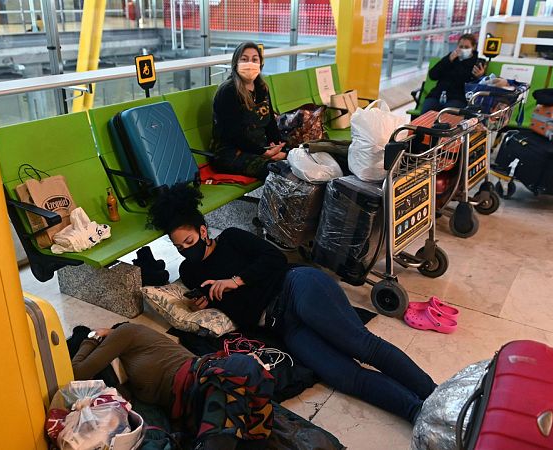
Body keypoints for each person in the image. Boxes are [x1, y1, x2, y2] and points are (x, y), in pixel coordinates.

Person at [147, 184, 437, 424]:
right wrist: (204, 303)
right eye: (178, 247)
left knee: (362, 345)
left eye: (188, 241)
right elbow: (224, 303)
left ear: (203, 231)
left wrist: (235, 280)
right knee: (345, 377)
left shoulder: (231, 239)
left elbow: (276, 259)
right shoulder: (190, 271)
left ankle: (435, 393)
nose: (185, 250)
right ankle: (418, 412)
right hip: (284, 326)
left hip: (296, 287)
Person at [71, 322, 273, 450]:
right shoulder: (129, 375)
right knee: (232, 397)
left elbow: (79, 371)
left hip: (199, 375)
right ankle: (231, 439)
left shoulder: (126, 332)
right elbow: (79, 379)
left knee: (234, 374)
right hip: (191, 403)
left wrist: (91, 337)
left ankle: (218, 440)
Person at [210, 42, 287, 179]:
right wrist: (263, 153)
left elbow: (270, 124)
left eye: (254, 59)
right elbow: (233, 134)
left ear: (260, 64)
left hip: (259, 148)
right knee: (279, 171)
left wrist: (278, 147)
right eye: (244, 59)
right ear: (236, 63)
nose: (250, 64)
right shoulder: (228, 91)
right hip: (231, 153)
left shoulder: (262, 88)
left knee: (297, 159)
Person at [421, 33, 487, 114]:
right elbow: (433, 75)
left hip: (458, 97)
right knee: (426, 113)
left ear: (473, 47)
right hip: (437, 95)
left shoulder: (476, 63)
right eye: (460, 46)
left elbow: (468, 80)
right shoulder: (450, 58)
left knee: (447, 115)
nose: (463, 49)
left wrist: (480, 76)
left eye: (466, 47)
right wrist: (448, 60)